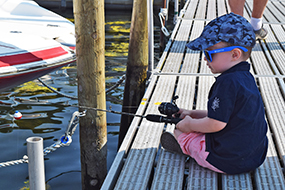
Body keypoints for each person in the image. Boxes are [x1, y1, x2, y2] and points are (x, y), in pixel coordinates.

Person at [160, 13, 268, 174]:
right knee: (194, 126)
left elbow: (216, 123)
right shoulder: (246, 78)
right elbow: (228, 115)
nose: (205, 59)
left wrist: (189, 125)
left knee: (180, 131)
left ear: (234, 54)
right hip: (255, 157)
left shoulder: (226, 83)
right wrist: (192, 114)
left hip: (228, 162)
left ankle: (187, 147)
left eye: (209, 54)